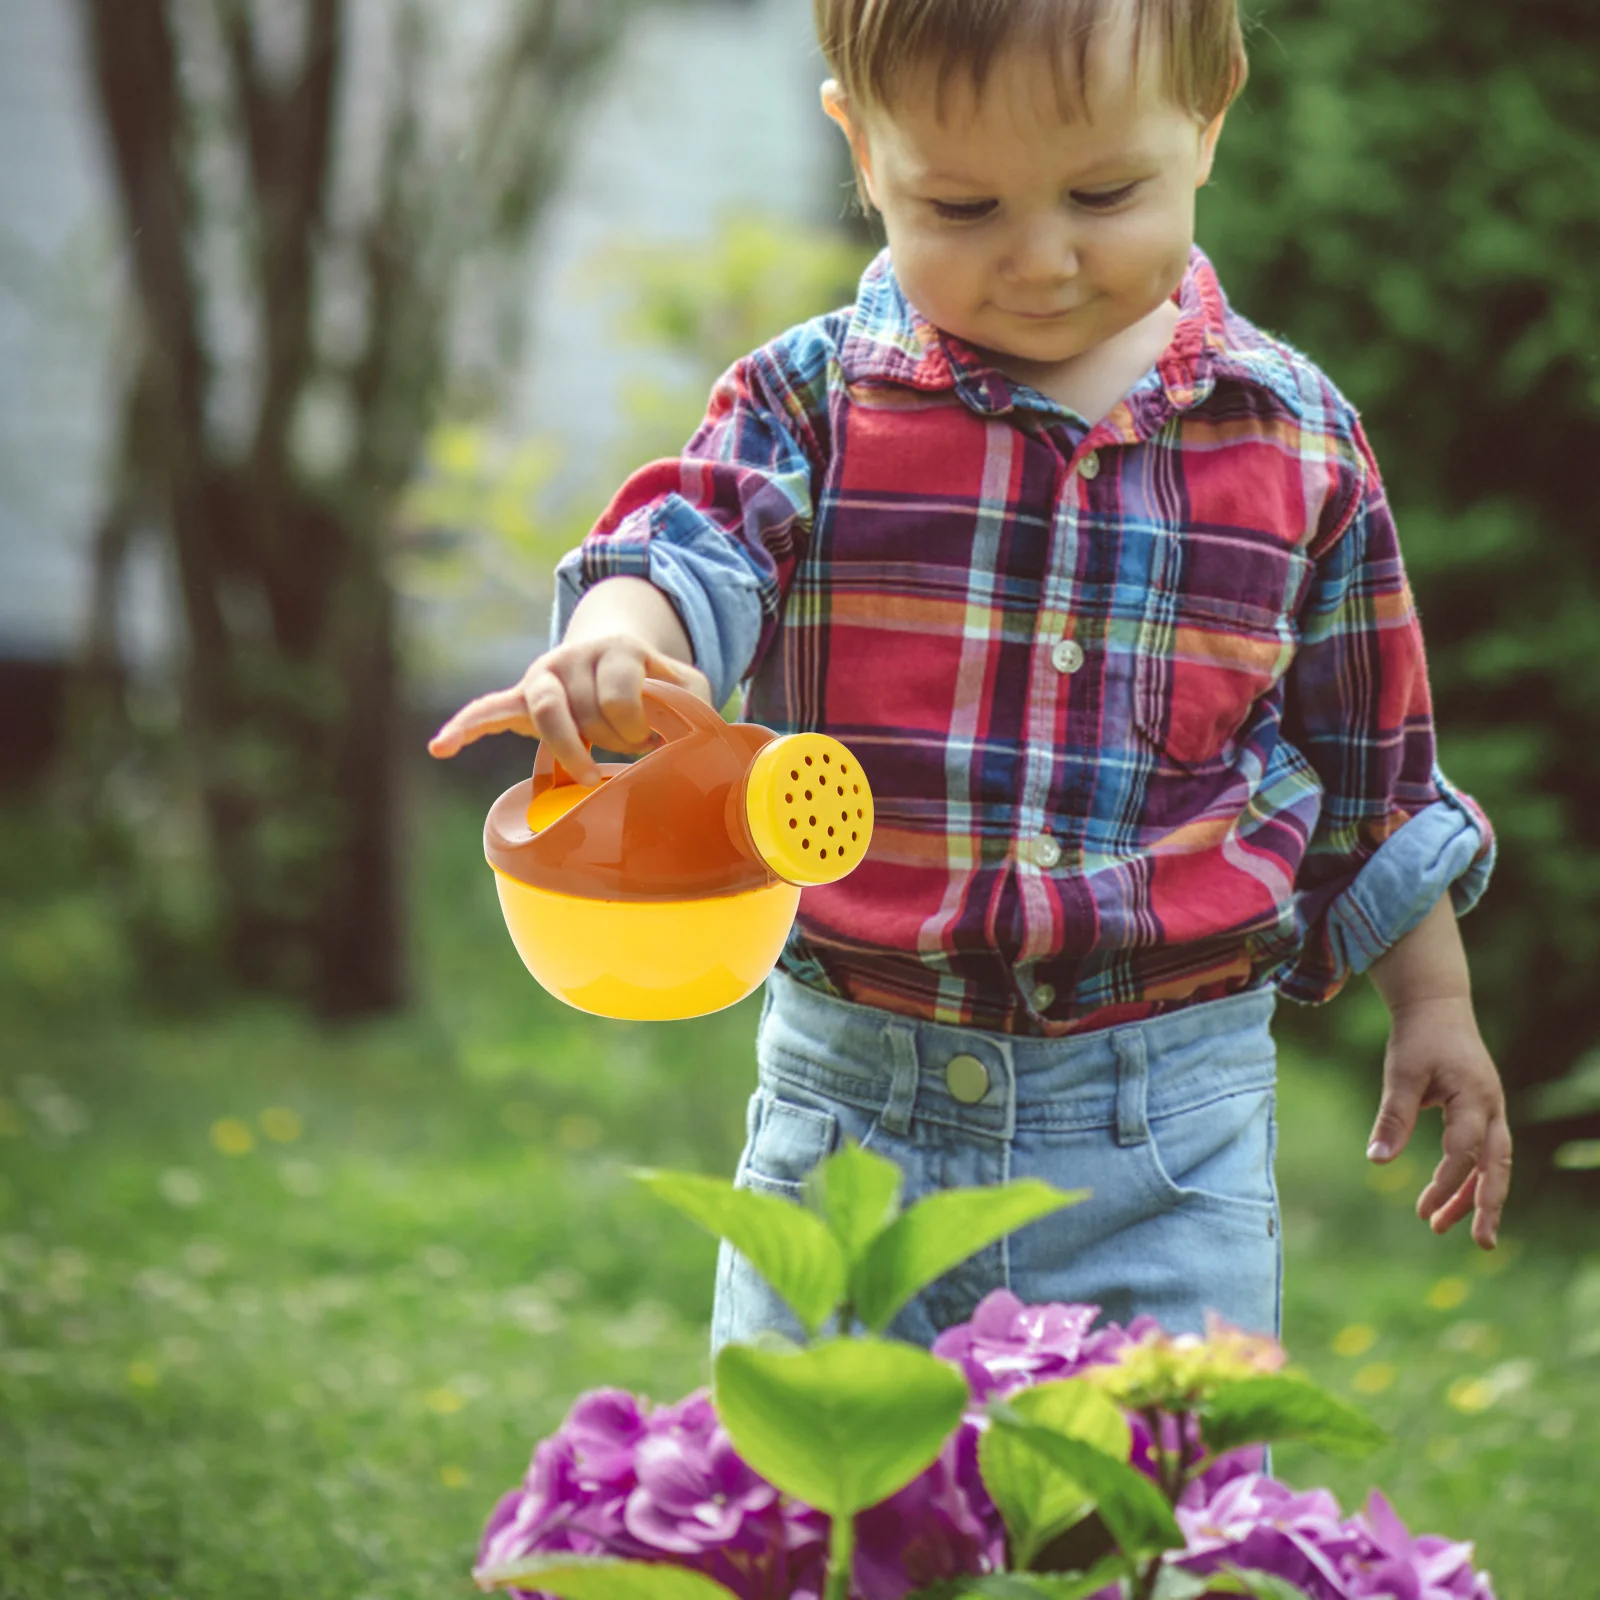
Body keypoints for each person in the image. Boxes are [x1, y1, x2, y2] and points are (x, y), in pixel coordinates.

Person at [429, 0, 1511, 1351]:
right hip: (851, 1122)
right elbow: (695, 538)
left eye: (1105, 192)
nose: (1041, 258)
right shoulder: (814, 405)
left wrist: (1438, 1005)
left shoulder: (1298, 446)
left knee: (1150, 1529)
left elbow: (1374, 772)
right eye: (962, 206)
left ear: (1211, 116)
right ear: (865, 153)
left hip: (1163, 1143)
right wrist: (627, 639)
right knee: (820, 1523)